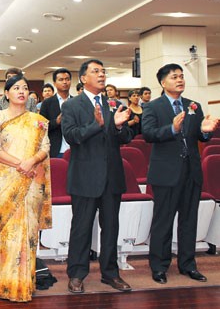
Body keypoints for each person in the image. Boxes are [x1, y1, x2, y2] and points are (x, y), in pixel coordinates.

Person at [142, 63, 219, 285]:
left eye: (182, 76)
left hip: (191, 172)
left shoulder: (193, 105)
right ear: (163, 82)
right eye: (175, 77)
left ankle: (188, 265)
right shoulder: (153, 107)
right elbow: (148, 134)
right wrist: (172, 129)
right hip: (166, 173)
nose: (180, 80)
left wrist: (205, 133)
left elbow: (199, 137)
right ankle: (159, 266)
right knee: (163, 222)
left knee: (189, 221)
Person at [61, 59, 132, 294]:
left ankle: (110, 273)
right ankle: (77, 275)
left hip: (112, 176)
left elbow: (126, 137)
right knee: (81, 228)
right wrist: (96, 124)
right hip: (84, 176)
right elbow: (72, 136)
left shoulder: (114, 103)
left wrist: (120, 127)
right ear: (83, 78)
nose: (101, 75)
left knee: (111, 228)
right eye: (96, 71)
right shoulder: (72, 106)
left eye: (103, 71)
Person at [0, 74, 52, 302]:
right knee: (7, 231)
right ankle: (3, 284)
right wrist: (20, 163)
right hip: (6, 179)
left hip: (32, 179)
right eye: (16, 88)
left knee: (29, 230)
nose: (21, 91)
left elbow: (46, 146)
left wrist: (32, 161)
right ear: (7, 93)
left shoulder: (38, 119)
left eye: (25, 88)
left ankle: (24, 283)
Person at [40, 69, 72, 158]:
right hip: (55, 149)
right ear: (54, 83)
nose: (65, 82)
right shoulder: (47, 103)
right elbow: (41, 127)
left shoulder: (77, 102)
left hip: (75, 149)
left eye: (67, 79)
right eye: (61, 80)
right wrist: (56, 122)